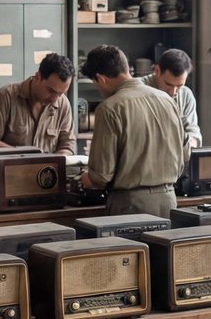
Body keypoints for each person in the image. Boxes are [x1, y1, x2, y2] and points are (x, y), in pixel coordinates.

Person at [80, 45, 186, 217]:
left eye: (96, 84)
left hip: (130, 205)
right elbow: (182, 157)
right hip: (168, 202)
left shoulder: (110, 108)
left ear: (101, 78)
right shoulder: (167, 101)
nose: (98, 90)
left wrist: (85, 178)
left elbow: (101, 176)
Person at [0, 53, 75, 153]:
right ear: (37, 77)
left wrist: (58, 158)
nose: (54, 99)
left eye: (61, 93)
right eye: (51, 91)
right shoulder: (6, 96)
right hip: (10, 163)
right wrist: (20, 156)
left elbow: (68, 145)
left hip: (49, 164)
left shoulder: (63, 104)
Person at [141, 49, 202, 150]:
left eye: (179, 85)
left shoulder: (186, 95)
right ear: (157, 71)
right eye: (168, 84)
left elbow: (192, 130)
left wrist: (192, 142)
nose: (173, 92)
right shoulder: (138, 91)